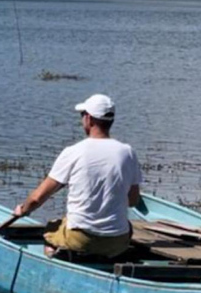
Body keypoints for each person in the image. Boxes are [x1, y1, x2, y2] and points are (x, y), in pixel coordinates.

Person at [13, 94, 142, 258]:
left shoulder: (73, 152)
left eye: (82, 115)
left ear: (89, 119)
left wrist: (22, 210)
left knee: (51, 229)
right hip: (117, 242)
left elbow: (37, 199)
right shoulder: (128, 153)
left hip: (80, 239)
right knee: (126, 227)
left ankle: (54, 259)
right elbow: (133, 201)